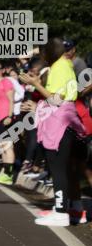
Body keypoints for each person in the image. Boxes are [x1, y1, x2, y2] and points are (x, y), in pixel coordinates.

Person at [21, 39, 86, 226]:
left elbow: (56, 99)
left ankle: (61, 212)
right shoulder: (65, 65)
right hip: (65, 121)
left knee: (58, 169)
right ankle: (65, 209)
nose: (41, 55)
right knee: (63, 169)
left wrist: (36, 84)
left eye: (42, 52)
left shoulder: (59, 68)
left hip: (58, 124)